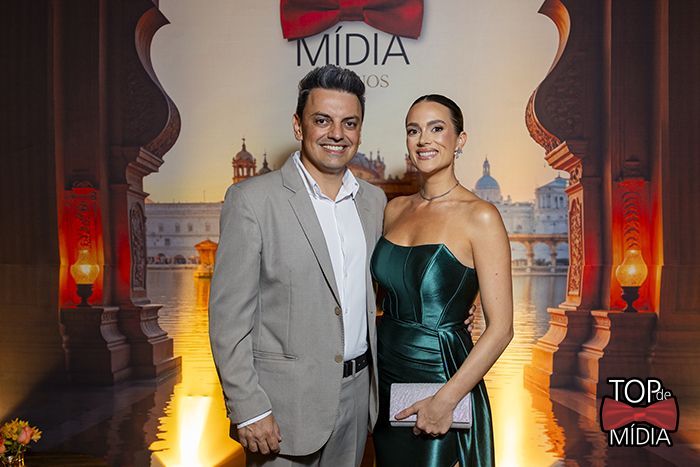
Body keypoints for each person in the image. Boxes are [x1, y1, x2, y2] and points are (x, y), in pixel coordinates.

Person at [208, 64, 386, 467]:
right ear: (297, 125)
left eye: (349, 123)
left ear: (359, 131)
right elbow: (228, 318)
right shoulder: (252, 200)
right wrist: (248, 407)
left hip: (358, 400)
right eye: (322, 120)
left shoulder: (373, 202)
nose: (337, 133)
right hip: (281, 408)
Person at [370, 94, 514, 467]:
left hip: (441, 377)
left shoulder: (481, 216)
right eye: (413, 130)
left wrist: (445, 400)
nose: (424, 140)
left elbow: (502, 329)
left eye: (437, 128)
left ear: (460, 139)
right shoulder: (394, 209)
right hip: (384, 375)